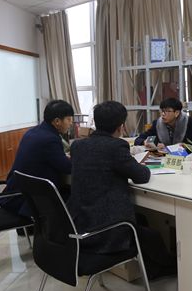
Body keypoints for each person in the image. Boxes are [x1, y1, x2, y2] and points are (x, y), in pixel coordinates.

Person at [69, 101, 176, 279]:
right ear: (121, 126)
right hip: (105, 229)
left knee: (142, 219)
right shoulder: (116, 146)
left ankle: (151, 268)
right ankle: (166, 266)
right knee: (152, 235)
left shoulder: (77, 146)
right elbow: (141, 176)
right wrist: (139, 164)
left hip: (80, 222)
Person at [0, 99, 74, 223]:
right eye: (69, 119)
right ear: (57, 121)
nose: (71, 123)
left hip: (16, 193)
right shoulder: (50, 139)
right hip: (28, 200)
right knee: (73, 194)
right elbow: (67, 168)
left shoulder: (33, 132)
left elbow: (48, 157)